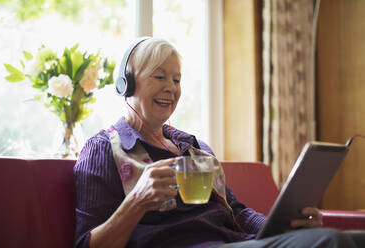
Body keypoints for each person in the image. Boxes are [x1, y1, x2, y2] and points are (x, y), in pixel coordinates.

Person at [74, 37, 364, 248]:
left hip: (234, 242)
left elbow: (235, 211)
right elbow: (88, 244)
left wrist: (285, 226)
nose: (171, 88)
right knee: (329, 241)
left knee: (354, 239)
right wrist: (137, 201)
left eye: (176, 79)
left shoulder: (193, 147)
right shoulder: (102, 149)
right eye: (159, 76)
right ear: (127, 83)